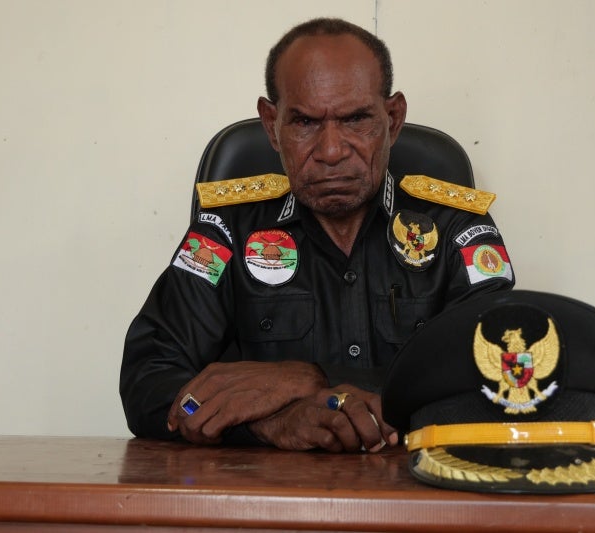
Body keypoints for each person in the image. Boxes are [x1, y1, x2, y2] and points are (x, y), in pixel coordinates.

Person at [120, 17, 515, 452]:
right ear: (271, 125)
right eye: (305, 123)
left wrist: (308, 380)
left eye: (356, 120)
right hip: (264, 506)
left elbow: (502, 376)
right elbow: (148, 382)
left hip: (415, 500)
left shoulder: (455, 226)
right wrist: (269, 424)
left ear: (393, 118)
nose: (331, 151)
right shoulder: (228, 229)